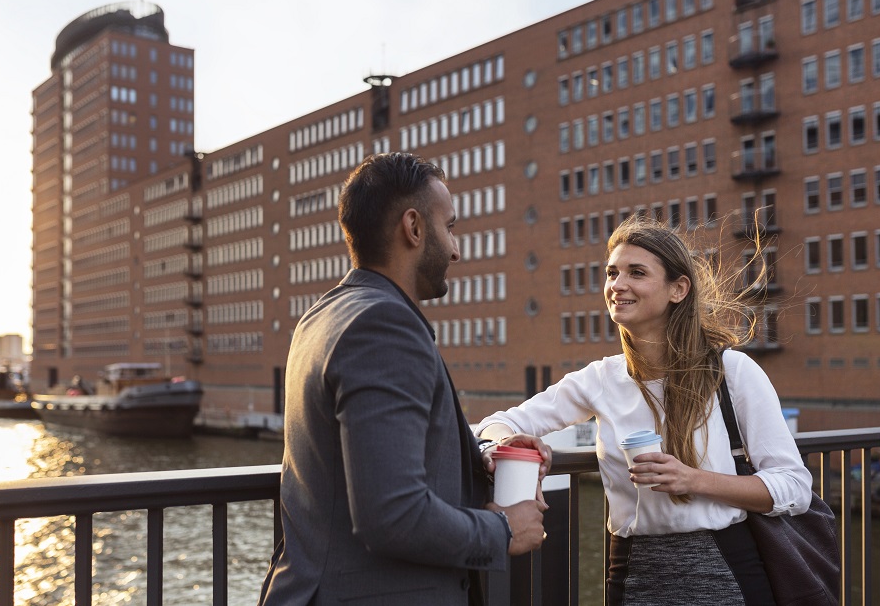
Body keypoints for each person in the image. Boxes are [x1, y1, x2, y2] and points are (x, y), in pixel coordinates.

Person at [475, 215, 813, 605]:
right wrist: (509, 443)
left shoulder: (732, 371)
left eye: (636, 273)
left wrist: (694, 480)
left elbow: (794, 486)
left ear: (678, 289)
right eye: (612, 273)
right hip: (632, 574)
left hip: (724, 572)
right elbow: (495, 424)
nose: (617, 285)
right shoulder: (600, 378)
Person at [258, 152, 548, 606]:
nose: (456, 249)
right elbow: (392, 513)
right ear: (413, 228)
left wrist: (486, 455)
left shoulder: (321, 317)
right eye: (449, 227)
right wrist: (504, 529)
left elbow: (377, 453)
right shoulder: (384, 326)